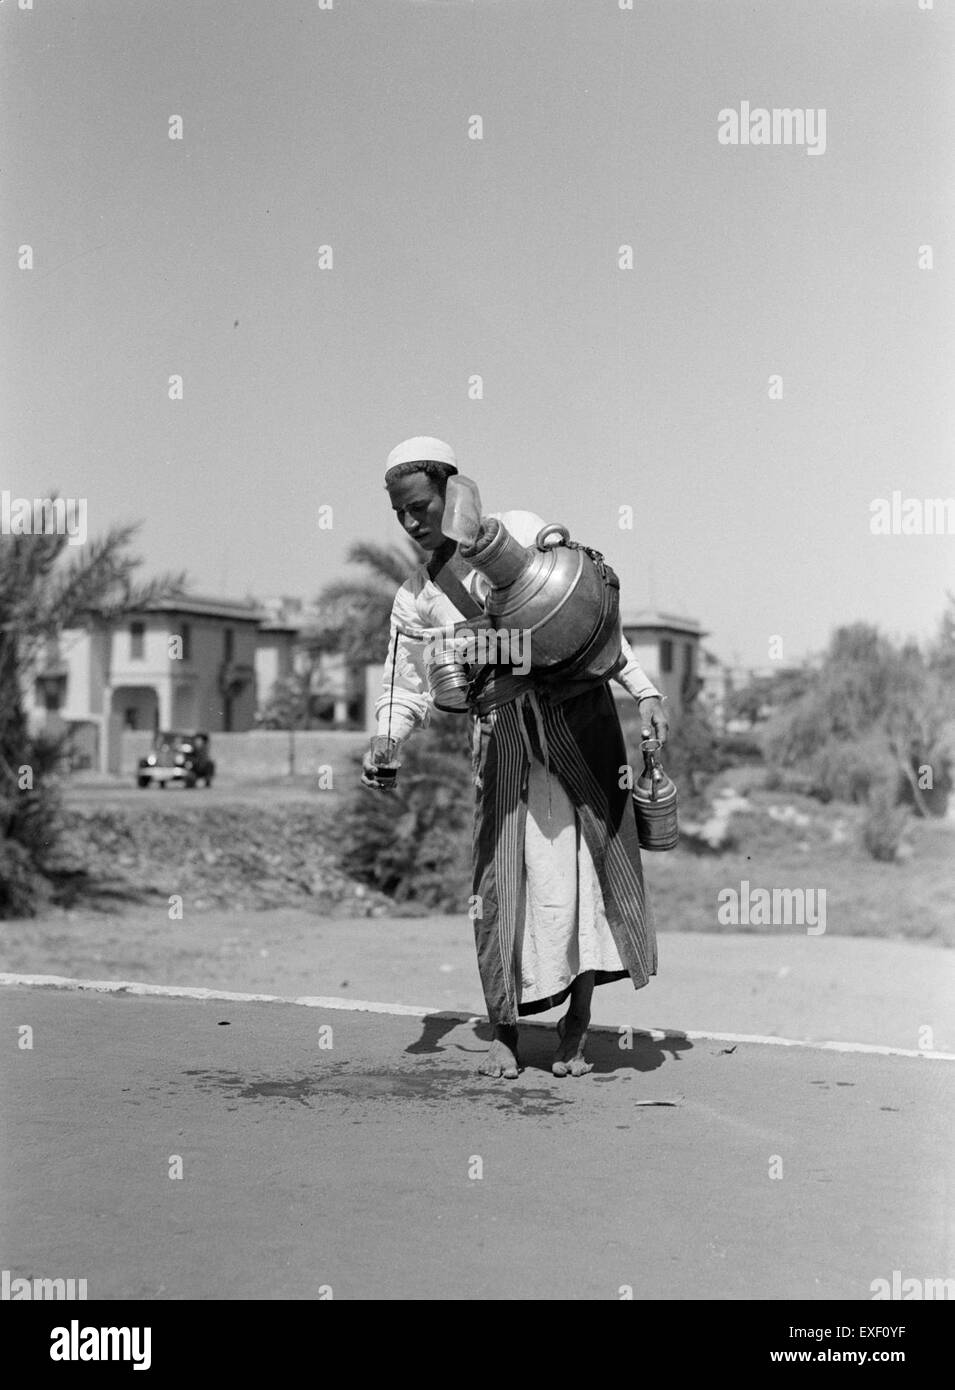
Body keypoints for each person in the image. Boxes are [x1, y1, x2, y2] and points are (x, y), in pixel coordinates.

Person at [362, 436, 668, 1079]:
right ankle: (504, 1030)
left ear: (452, 491)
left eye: (421, 505)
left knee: (585, 873)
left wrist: (643, 691)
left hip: (579, 727)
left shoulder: (519, 533)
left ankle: (575, 1029)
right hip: (502, 740)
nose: (414, 523)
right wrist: (387, 737)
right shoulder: (416, 598)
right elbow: (405, 689)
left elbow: (589, 619)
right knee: (503, 883)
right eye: (401, 514)